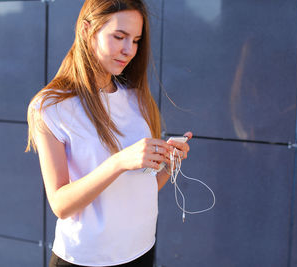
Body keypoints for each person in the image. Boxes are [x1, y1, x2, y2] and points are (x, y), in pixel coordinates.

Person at [26, 0, 192, 266]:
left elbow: (141, 186)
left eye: (136, 40)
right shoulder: (51, 106)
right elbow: (60, 204)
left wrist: (166, 165)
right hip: (86, 258)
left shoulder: (137, 97)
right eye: (119, 36)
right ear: (86, 30)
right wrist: (118, 162)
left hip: (141, 249)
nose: (129, 50)